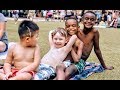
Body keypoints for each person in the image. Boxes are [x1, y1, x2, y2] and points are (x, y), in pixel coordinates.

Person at [63, 11, 114, 80]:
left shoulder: (94, 32)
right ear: (82, 20)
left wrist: (104, 66)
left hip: (80, 61)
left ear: (95, 21)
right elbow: (65, 35)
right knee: (59, 68)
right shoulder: (77, 31)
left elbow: (97, 49)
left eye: (92, 19)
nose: (89, 21)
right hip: (70, 59)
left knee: (69, 71)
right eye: (86, 18)